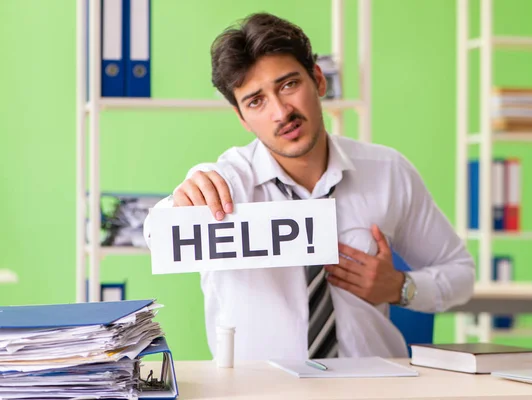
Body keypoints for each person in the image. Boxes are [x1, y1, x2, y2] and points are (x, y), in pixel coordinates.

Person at [144, 12, 475, 360]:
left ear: (318, 80)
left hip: (375, 386)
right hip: (260, 392)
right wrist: (180, 200)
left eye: (288, 85)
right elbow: (156, 234)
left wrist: (400, 287)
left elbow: (461, 274)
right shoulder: (227, 184)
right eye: (256, 101)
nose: (280, 112)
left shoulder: (387, 172)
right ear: (241, 118)